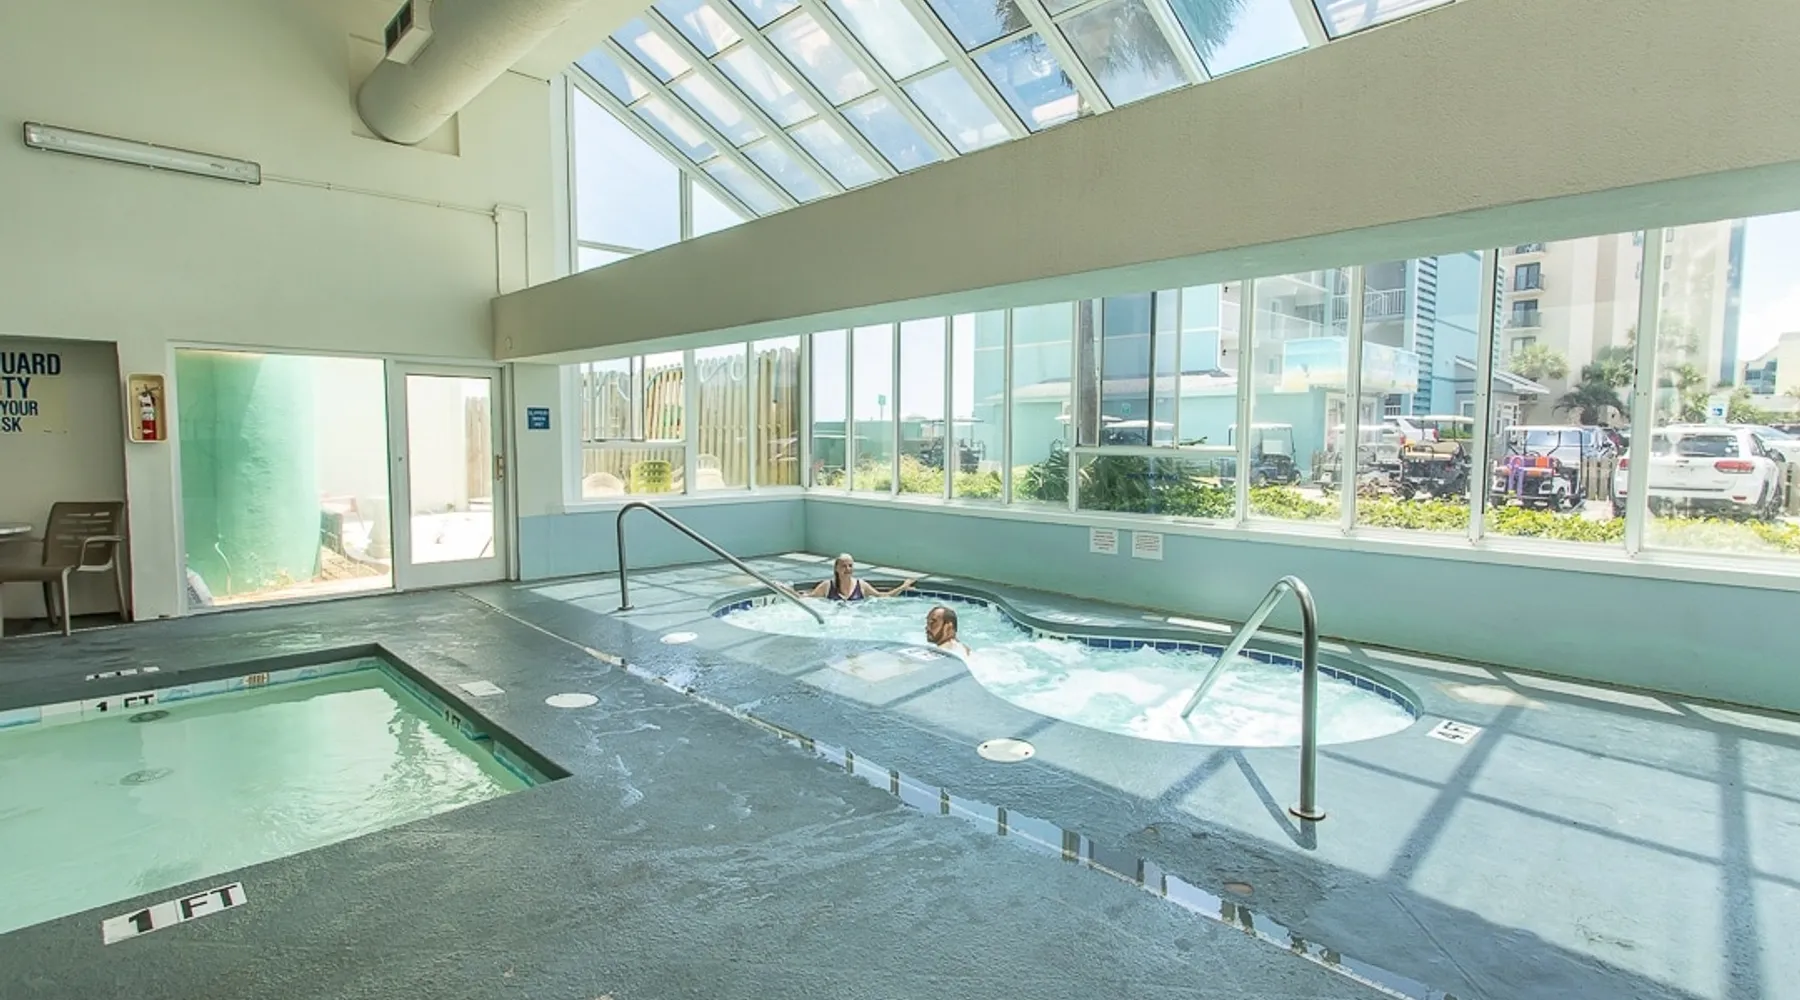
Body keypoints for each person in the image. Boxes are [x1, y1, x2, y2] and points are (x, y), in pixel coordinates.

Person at [808, 553, 913, 602]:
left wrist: (903, 587)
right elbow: (807, 599)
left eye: (850, 566)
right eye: (844, 566)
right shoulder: (827, 586)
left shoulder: (861, 585)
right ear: (836, 568)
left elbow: (883, 596)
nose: (848, 569)